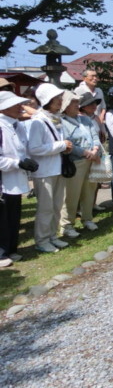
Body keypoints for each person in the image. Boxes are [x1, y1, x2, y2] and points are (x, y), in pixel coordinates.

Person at [28, 84, 73, 252]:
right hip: (44, 171)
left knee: (56, 206)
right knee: (45, 208)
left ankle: (53, 236)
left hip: (57, 168)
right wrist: (61, 145)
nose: (61, 101)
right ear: (48, 100)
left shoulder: (55, 118)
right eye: (57, 98)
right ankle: (42, 240)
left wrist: (65, 147)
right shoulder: (38, 121)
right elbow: (34, 148)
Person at [0, 91, 39, 266]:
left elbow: (23, 149)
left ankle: (11, 249)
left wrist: (27, 162)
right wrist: (18, 163)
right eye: (14, 104)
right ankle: (1, 253)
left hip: (16, 178)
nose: (20, 107)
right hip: (3, 180)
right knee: (2, 217)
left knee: (13, 215)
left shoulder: (18, 125)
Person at [60, 91, 103, 235]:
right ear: (66, 105)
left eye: (77, 102)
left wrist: (95, 150)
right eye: (73, 102)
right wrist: (86, 153)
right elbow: (69, 144)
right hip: (76, 162)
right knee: (71, 195)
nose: (77, 105)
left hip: (91, 161)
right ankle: (67, 225)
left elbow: (95, 136)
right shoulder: (62, 122)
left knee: (89, 192)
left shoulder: (85, 119)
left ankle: (87, 218)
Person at [74, 68, 106, 141]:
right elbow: (75, 107)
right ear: (84, 78)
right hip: (83, 122)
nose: (95, 78)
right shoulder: (79, 90)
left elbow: (103, 106)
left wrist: (101, 119)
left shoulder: (99, 91)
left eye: (96, 76)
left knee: (100, 140)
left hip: (98, 120)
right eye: (92, 76)